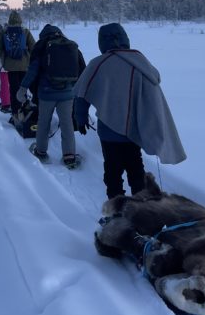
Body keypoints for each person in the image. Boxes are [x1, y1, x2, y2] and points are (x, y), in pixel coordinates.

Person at [73, 23, 186, 200]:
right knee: (135, 168)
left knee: (112, 171)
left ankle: (116, 211)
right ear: (125, 38)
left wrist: (80, 118)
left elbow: (82, 94)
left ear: (102, 41)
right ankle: (141, 207)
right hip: (135, 131)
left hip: (108, 132)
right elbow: (154, 87)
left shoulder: (98, 64)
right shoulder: (141, 62)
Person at [16, 24, 85, 167]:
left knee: (43, 123)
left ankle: (41, 152)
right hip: (67, 94)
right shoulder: (71, 46)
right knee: (67, 124)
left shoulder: (41, 47)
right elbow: (82, 69)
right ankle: (69, 156)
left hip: (46, 93)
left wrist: (22, 89)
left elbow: (32, 71)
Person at [0, 11, 35, 109]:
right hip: (24, 65)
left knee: (13, 88)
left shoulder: (4, 31)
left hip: (10, 65)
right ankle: (23, 108)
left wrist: (4, 56)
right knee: (23, 88)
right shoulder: (25, 31)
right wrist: (28, 57)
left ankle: (15, 111)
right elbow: (33, 47)